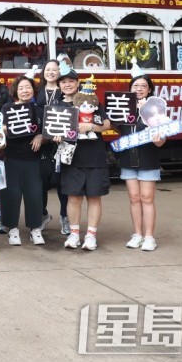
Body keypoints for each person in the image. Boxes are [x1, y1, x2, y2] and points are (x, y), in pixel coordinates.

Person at [54, 69, 111, 251]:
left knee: (94, 197)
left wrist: (91, 126)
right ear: (59, 86)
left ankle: (91, 235)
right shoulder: (58, 106)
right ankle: (74, 234)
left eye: (71, 81)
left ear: (78, 83)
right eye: (63, 82)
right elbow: (51, 130)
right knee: (73, 198)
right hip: (71, 158)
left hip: (95, 156)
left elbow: (107, 125)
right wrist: (55, 136)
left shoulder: (91, 99)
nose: (67, 84)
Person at [118, 74, 165, 251]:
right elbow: (115, 127)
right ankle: (137, 234)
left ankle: (149, 237)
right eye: (135, 85)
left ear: (149, 89)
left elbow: (161, 141)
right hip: (128, 158)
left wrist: (148, 114)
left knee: (147, 198)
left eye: (143, 86)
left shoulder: (156, 110)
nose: (138, 89)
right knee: (134, 198)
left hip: (148, 158)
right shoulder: (122, 108)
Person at [0, 76, 46, 246]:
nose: (25, 90)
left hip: (33, 159)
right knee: (11, 195)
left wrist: (41, 136)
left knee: (34, 195)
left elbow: (48, 130)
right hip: (12, 158)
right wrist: (3, 129)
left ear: (33, 90)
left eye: (28, 87)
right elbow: (0, 129)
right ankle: (12, 229)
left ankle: (35, 229)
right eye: (21, 88)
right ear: (15, 91)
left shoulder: (39, 109)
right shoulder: (7, 108)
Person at [35, 60, 69, 235]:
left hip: (60, 143)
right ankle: (42, 215)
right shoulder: (37, 90)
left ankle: (65, 216)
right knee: (41, 182)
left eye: (54, 69)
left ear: (59, 72)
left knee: (62, 183)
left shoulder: (64, 90)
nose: (50, 72)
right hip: (41, 144)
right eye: (47, 69)